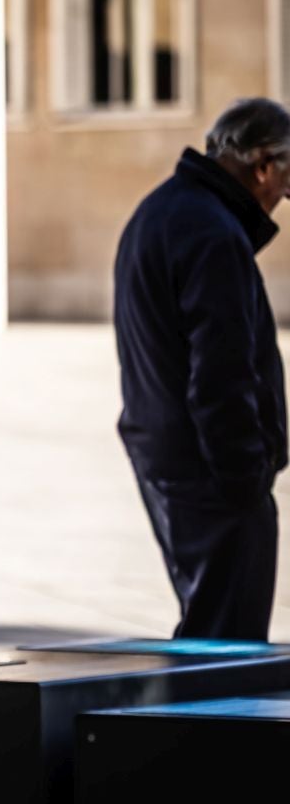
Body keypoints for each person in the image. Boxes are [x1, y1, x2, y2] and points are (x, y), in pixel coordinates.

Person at [115, 97, 290, 640]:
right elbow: (221, 371)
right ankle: (182, 731)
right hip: (210, 474)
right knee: (224, 649)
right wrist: (245, 477)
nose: (284, 199)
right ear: (263, 166)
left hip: (173, 458)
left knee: (209, 636)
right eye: (288, 181)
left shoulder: (164, 211)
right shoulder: (212, 233)